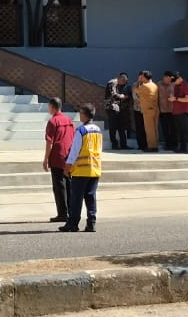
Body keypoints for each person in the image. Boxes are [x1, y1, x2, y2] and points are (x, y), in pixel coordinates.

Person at [59, 104, 102, 234]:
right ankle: (91, 223)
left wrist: (67, 166)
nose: (79, 115)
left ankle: (73, 223)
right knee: (90, 197)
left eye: (81, 113)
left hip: (81, 170)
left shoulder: (81, 130)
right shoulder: (98, 130)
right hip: (94, 168)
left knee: (76, 198)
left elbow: (74, 151)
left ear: (85, 115)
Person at [43, 97, 74, 223]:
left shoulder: (53, 121)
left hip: (56, 156)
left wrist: (45, 159)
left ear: (52, 107)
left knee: (59, 186)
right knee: (68, 184)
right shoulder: (69, 120)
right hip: (68, 156)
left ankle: (62, 213)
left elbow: (49, 142)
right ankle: (72, 211)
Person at [134, 71, 160, 153]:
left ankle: (151, 147)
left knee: (149, 129)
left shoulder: (144, 86)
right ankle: (155, 146)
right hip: (155, 109)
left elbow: (136, 90)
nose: (141, 78)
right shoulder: (155, 85)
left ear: (144, 77)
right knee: (155, 128)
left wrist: (139, 81)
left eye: (142, 77)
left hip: (148, 110)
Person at [105, 74, 132, 150]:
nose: (123, 83)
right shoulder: (113, 83)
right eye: (123, 81)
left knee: (122, 127)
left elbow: (128, 96)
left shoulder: (123, 86)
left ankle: (124, 144)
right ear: (120, 79)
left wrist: (124, 97)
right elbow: (113, 94)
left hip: (120, 109)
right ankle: (114, 144)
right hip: (112, 108)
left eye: (125, 81)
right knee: (112, 127)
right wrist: (121, 96)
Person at [170, 74, 188, 152]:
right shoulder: (176, 86)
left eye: (175, 81)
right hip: (176, 111)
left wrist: (176, 98)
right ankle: (182, 148)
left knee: (186, 130)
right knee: (179, 131)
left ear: (180, 78)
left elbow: (187, 99)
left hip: (183, 111)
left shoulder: (186, 86)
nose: (174, 83)